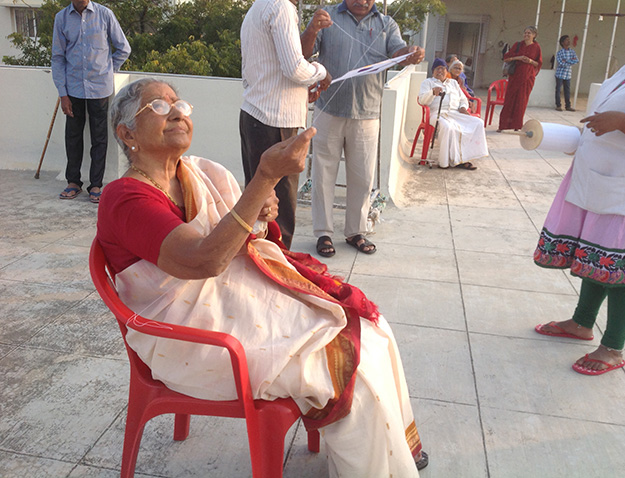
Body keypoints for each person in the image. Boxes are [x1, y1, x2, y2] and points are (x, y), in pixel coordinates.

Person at [97, 78, 429, 477]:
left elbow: (247, 238)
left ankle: (392, 454)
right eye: (158, 107)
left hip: (233, 302)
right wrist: (264, 178)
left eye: (180, 104)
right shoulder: (126, 198)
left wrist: (260, 209)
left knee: (370, 329)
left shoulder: (200, 172)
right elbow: (204, 260)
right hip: (186, 334)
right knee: (341, 365)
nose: (177, 112)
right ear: (126, 133)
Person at [534, 21, 625, 376]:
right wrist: (579, 139)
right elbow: (604, 117)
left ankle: (613, 347)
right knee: (595, 255)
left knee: (623, 268)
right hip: (596, 181)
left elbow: (624, 122)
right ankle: (581, 323)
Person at [300, 0, 424, 257]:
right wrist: (312, 29)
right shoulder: (328, 16)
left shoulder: (385, 23)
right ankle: (323, 232)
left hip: (368, 114)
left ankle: (355, 232)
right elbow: (303, 54)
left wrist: (410, 52)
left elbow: (397, 52)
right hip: (327, 110)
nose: (363, 1)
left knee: (363, 177)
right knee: (323, 175)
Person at [239, 0, 331, 249]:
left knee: (258, 202)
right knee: (279, 209)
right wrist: (322, 72)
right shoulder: (281, 7)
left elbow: (269, 68)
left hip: (256, 114)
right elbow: (295, 69)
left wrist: (302, 90)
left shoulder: (259, 6)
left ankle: (259, 264)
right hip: (274, 122)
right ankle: (278, 265)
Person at [52, 0, 130, 203]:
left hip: (100, 88)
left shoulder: (105, 15)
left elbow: (123, 48)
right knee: (73, 136)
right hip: (73, 88)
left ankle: (96, 185)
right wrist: (62, 93)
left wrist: (108, 70)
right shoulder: (61, 18)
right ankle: (73, 182)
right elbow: (58, 57)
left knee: (99, 137)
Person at [418, 58, 488, 170]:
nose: (440, 71)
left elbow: (463, 99)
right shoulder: (428, 83)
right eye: (437, 69)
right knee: (447, 127)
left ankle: (465, 158)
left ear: (447, 71)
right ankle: (444, 162)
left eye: (443, 68)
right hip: (437, 114)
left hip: (455, 113)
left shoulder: (453, 83)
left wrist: (463, 108)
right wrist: (432, 93)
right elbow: (422, 100)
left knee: (478, 123)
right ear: (433, 71)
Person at [497, 26, 542, 132]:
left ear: (534, 35)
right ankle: (502, 125)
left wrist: (530, 61)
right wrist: (519, 58)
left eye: (529, 33)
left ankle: (517, 125)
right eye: (525, 33)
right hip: (515, 76)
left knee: (522, 102)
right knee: (509, 100)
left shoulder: (536, 47)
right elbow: (506, 58)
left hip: (527, 78)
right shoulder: (518, 45)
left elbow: (538, 63)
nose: (526, 35)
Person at [554, 35, 579, 112]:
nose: (569, 41)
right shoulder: (560, 53)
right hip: (560, 74)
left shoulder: (572, 51)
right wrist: (570, 61)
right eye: (567, 40)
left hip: (568, 74)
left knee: (567, 90)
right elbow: (561, 63)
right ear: (562, 42)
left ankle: (568, 106)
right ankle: (558, 105)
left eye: (569, 40)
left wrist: (566, 61)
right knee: (558, 90)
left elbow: (576, 60)